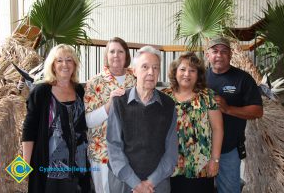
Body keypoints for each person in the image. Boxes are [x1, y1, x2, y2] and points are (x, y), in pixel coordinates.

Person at [106, 46, 178, 193]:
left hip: (157, 184)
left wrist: (150, 183)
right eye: (145, 67)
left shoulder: (168, 105)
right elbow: (114, 148)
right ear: (134, 71)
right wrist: (136, 184)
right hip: (124, 183)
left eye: (155, 68)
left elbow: (171, 152)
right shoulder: (119, 102)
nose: (151, 72)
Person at [22, 44, 91, 193]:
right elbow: (29, 129)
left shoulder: (79, 90)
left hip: (78, 168)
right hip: (48, 169)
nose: (64, 64)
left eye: (69, 60)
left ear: (74, 64)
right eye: (59, 60)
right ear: (52, 65)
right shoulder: (41, 92)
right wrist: (23, 167)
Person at [205, 36, 263, 193]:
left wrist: (228, 108)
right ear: (207, 54)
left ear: (230, 55)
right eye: (215, 51)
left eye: (224, 51)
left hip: (228, 150)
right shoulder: (199, 78)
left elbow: (258, 111)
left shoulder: (243, 79)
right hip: (200, 150)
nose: (219, 55)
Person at [162, 52, 223, 193]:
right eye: (182, 69)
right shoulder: (164, 96)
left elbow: (217, 128)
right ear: (175, 72)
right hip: (170, 166)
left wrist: (215, 160)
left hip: (201, 166)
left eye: (192, 70)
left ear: (198, 74)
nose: (186, 74)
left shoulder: (208, 96)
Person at [84, 37, 136, 193]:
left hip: (132, 152)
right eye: (112, 51)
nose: (116, 55)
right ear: (106, 55)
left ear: (126, 55)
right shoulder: (94, 82)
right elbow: (88, 121)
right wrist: (109, 105)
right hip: (102, 154)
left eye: (120, 51)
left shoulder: (135, 78)